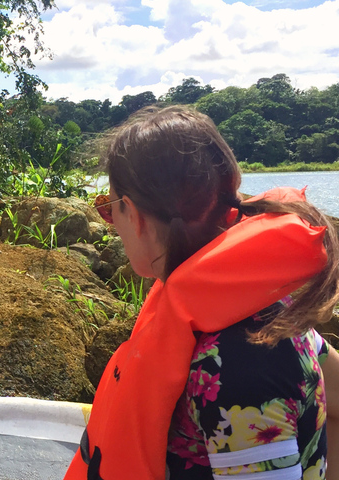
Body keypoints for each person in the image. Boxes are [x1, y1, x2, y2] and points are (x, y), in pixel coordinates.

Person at [64, 105, 339, 479]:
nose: (110, 224)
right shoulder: (266, 305)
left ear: (134, 213)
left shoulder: (239, 369)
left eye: (108, 209)